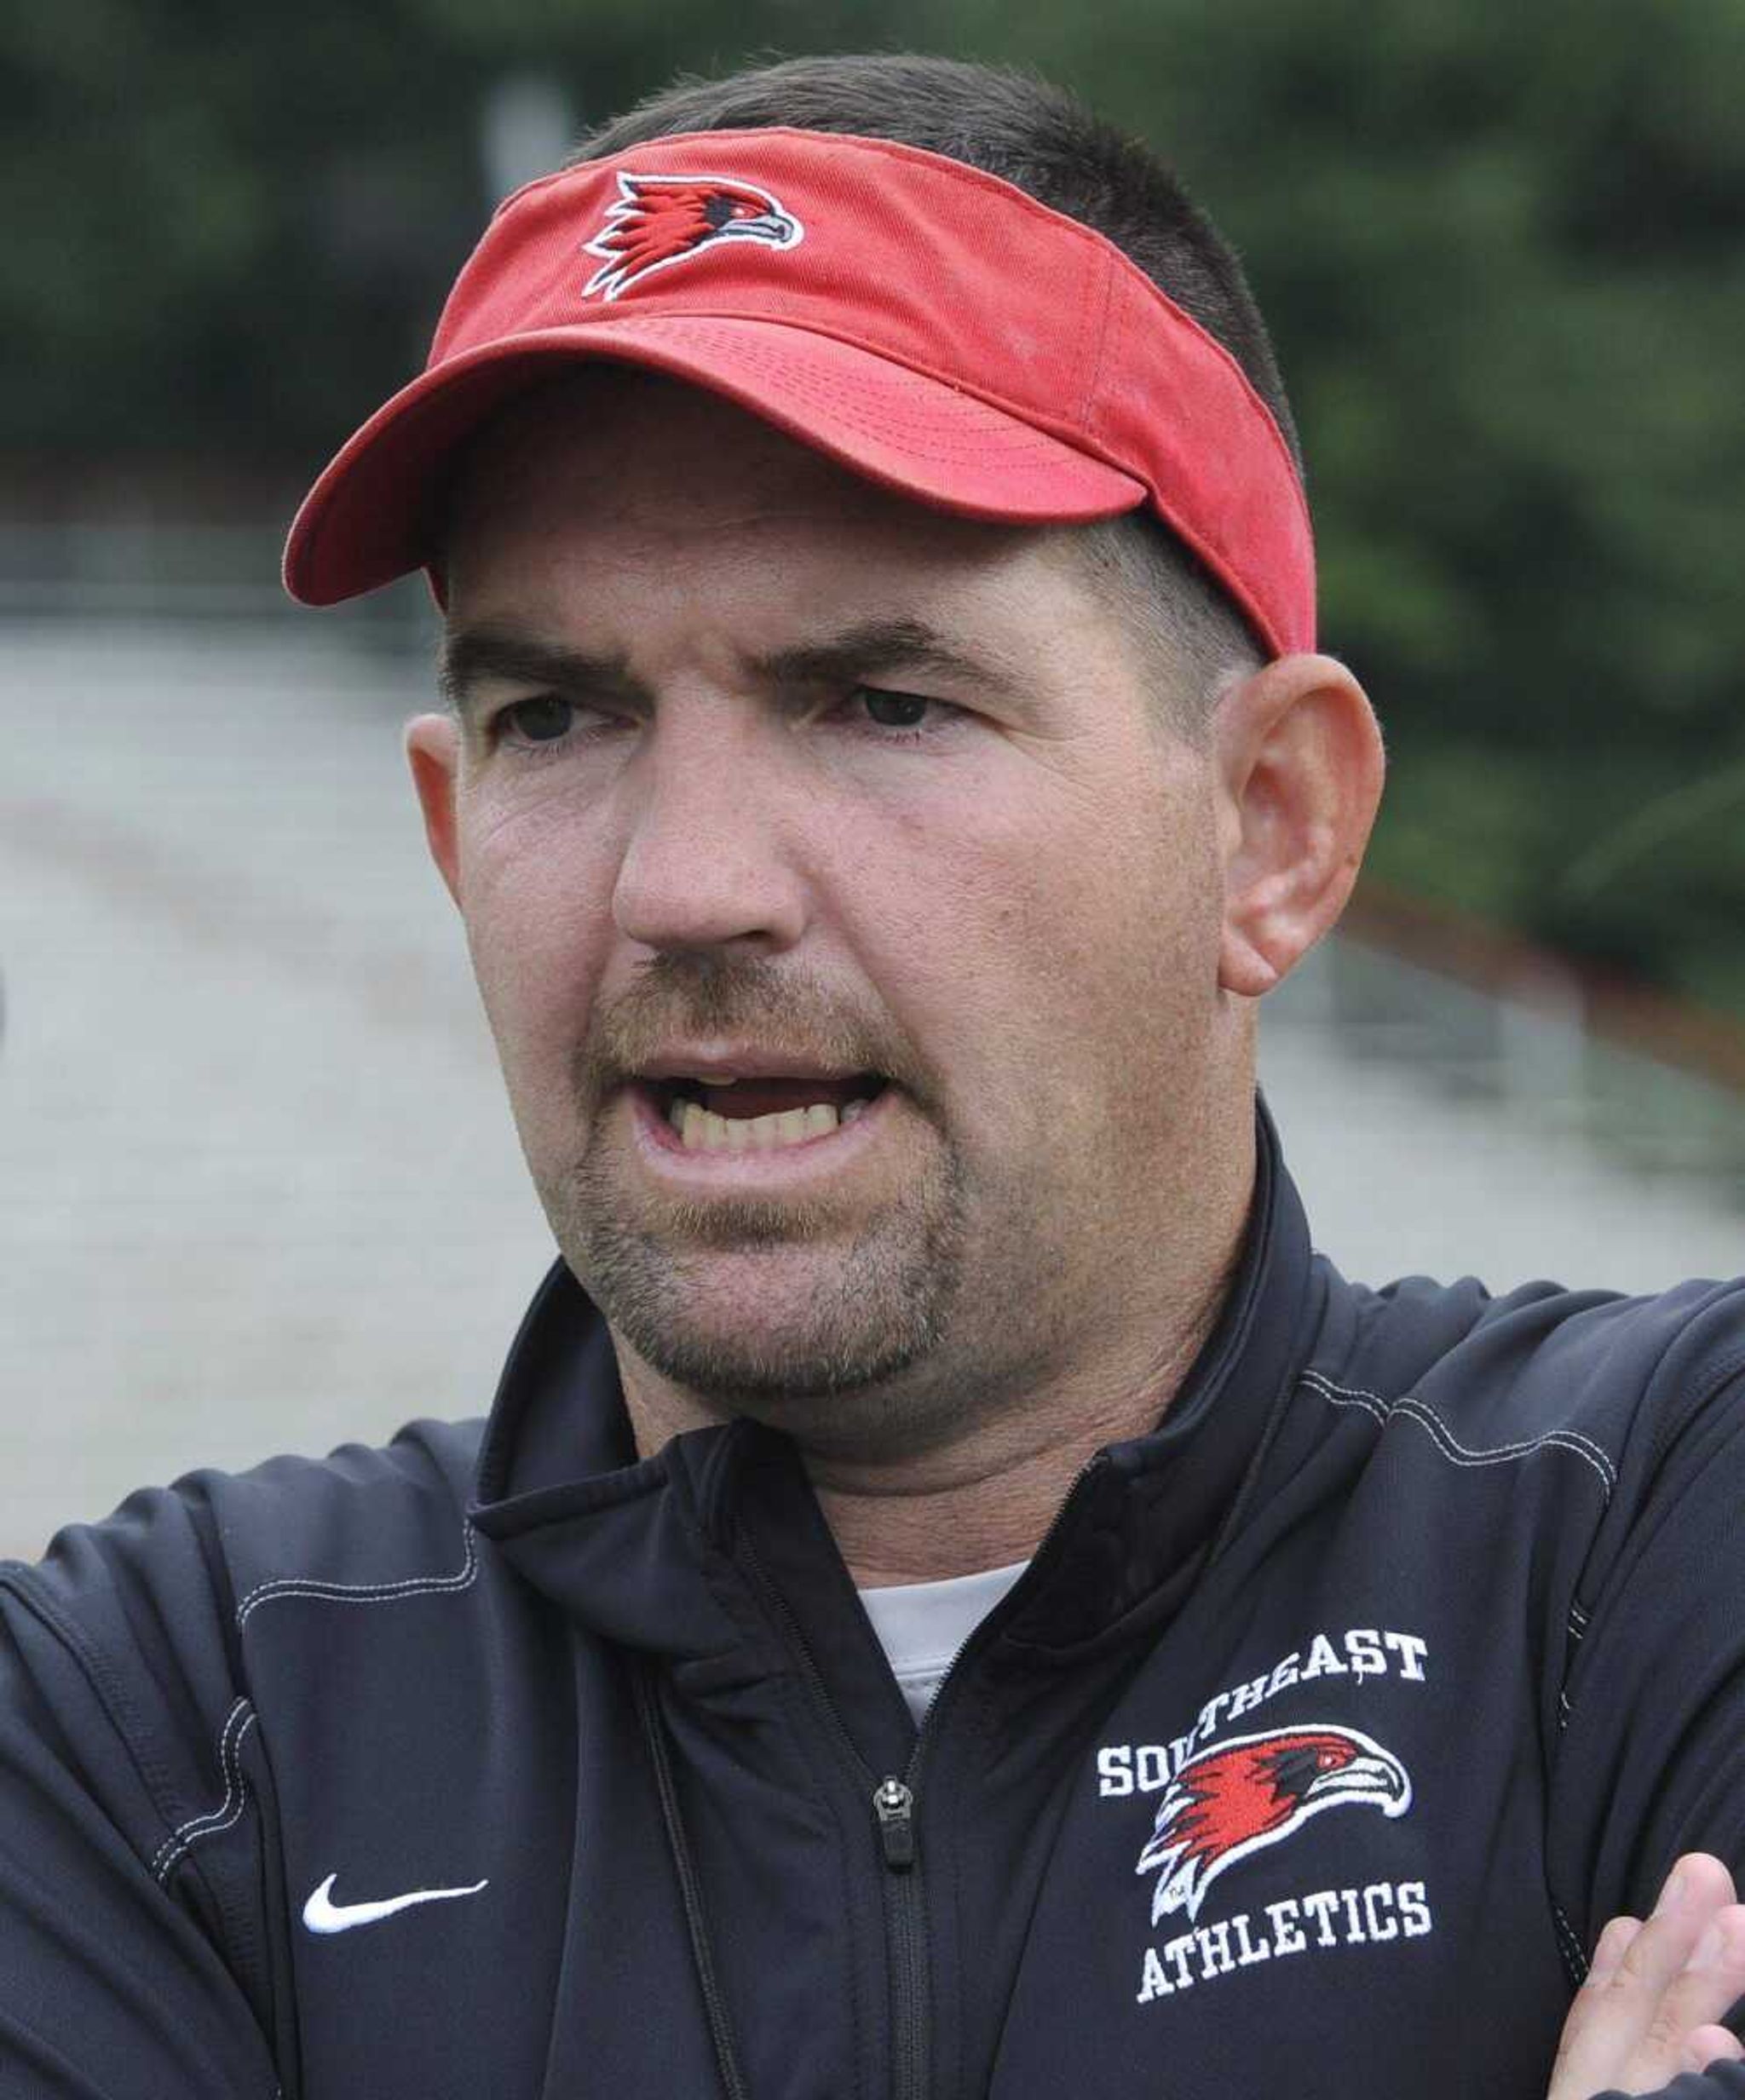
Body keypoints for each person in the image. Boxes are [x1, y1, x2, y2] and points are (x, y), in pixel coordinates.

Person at [3, 51, 1742, 2100]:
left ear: (1271, 827)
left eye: (881, 702)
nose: (688, 885)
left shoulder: (1656, 1524)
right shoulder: (150, 1730)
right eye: (556, 718)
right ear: (449, 829)